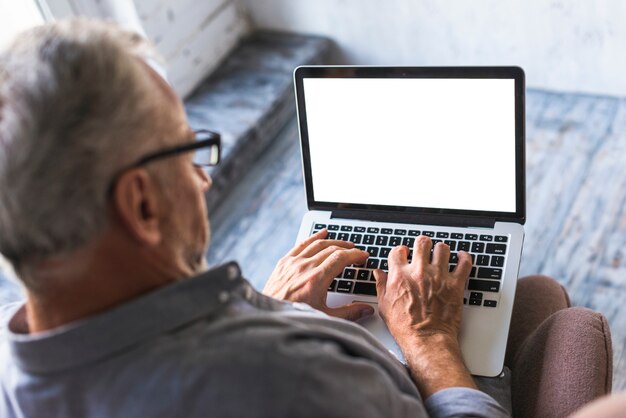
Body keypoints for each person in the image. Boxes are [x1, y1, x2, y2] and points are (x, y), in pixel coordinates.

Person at [0, 18, 515, 417]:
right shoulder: (295, 378)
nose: (203, 178)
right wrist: (428, 342)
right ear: (141, 204)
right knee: (546, 309)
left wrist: (271, 309)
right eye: (187, 148)